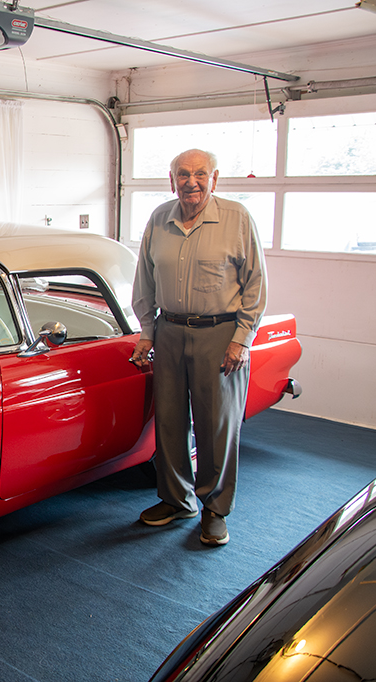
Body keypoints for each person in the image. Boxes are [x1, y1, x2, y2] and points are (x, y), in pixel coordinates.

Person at [129, 149, 267, 546]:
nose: (192, 181)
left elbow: (256, 284)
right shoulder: (159, 218)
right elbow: (146, 279)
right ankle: (177, 500)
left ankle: (214, 509)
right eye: (183, 174)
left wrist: (242, 339)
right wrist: (147, 331)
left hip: (220, 335)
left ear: (215, 179)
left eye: (200, 174)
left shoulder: (237, 218)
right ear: (171, 181)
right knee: (170, 422)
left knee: (216, 427)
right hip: (169, 331)